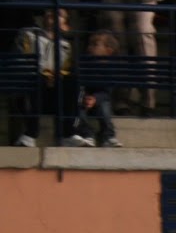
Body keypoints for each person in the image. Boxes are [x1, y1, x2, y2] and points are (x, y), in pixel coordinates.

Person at [13, 8, 94, 147]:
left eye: (59, 14)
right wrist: (45, 74)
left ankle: (68, 133)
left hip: (55, 92)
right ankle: (30, 134)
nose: (52, 12)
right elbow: (22, 60)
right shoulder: (29, 35)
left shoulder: (67, 46)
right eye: (50, 11)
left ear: (65, 26)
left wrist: (56, 76)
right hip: (33, 87)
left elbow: (67, 70)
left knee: (73, 81)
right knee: (35, 80)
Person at [79, 28, 121, 148]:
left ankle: (108, 136)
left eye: (95, 44)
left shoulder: (111, 69)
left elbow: (107, 91)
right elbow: (78, 84)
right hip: (84, 98)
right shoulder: (84, 64)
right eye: (89, 44)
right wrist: (84, 97)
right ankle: (87, 134)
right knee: (77, 109)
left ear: (108, 51)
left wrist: (95, 99)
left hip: (100, 99)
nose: (90, 47)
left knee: (105, 107)